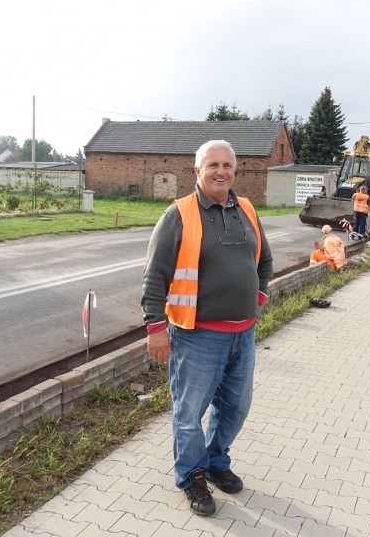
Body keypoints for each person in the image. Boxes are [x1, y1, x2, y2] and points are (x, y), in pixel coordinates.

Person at [141, 139, 273, 517]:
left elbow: (264, 261)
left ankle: (216, 462)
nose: (221, 171)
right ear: (197, 171)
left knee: (235, 407)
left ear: (235, 170)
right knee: (189, 414)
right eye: (212, 164)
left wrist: (258, 299)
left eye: (227, 165)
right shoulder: (178, 215)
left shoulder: (246, 208)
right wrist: (155, 329)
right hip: (196, 336)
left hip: (243, 335)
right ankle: (192, 475)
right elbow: (154, 279)